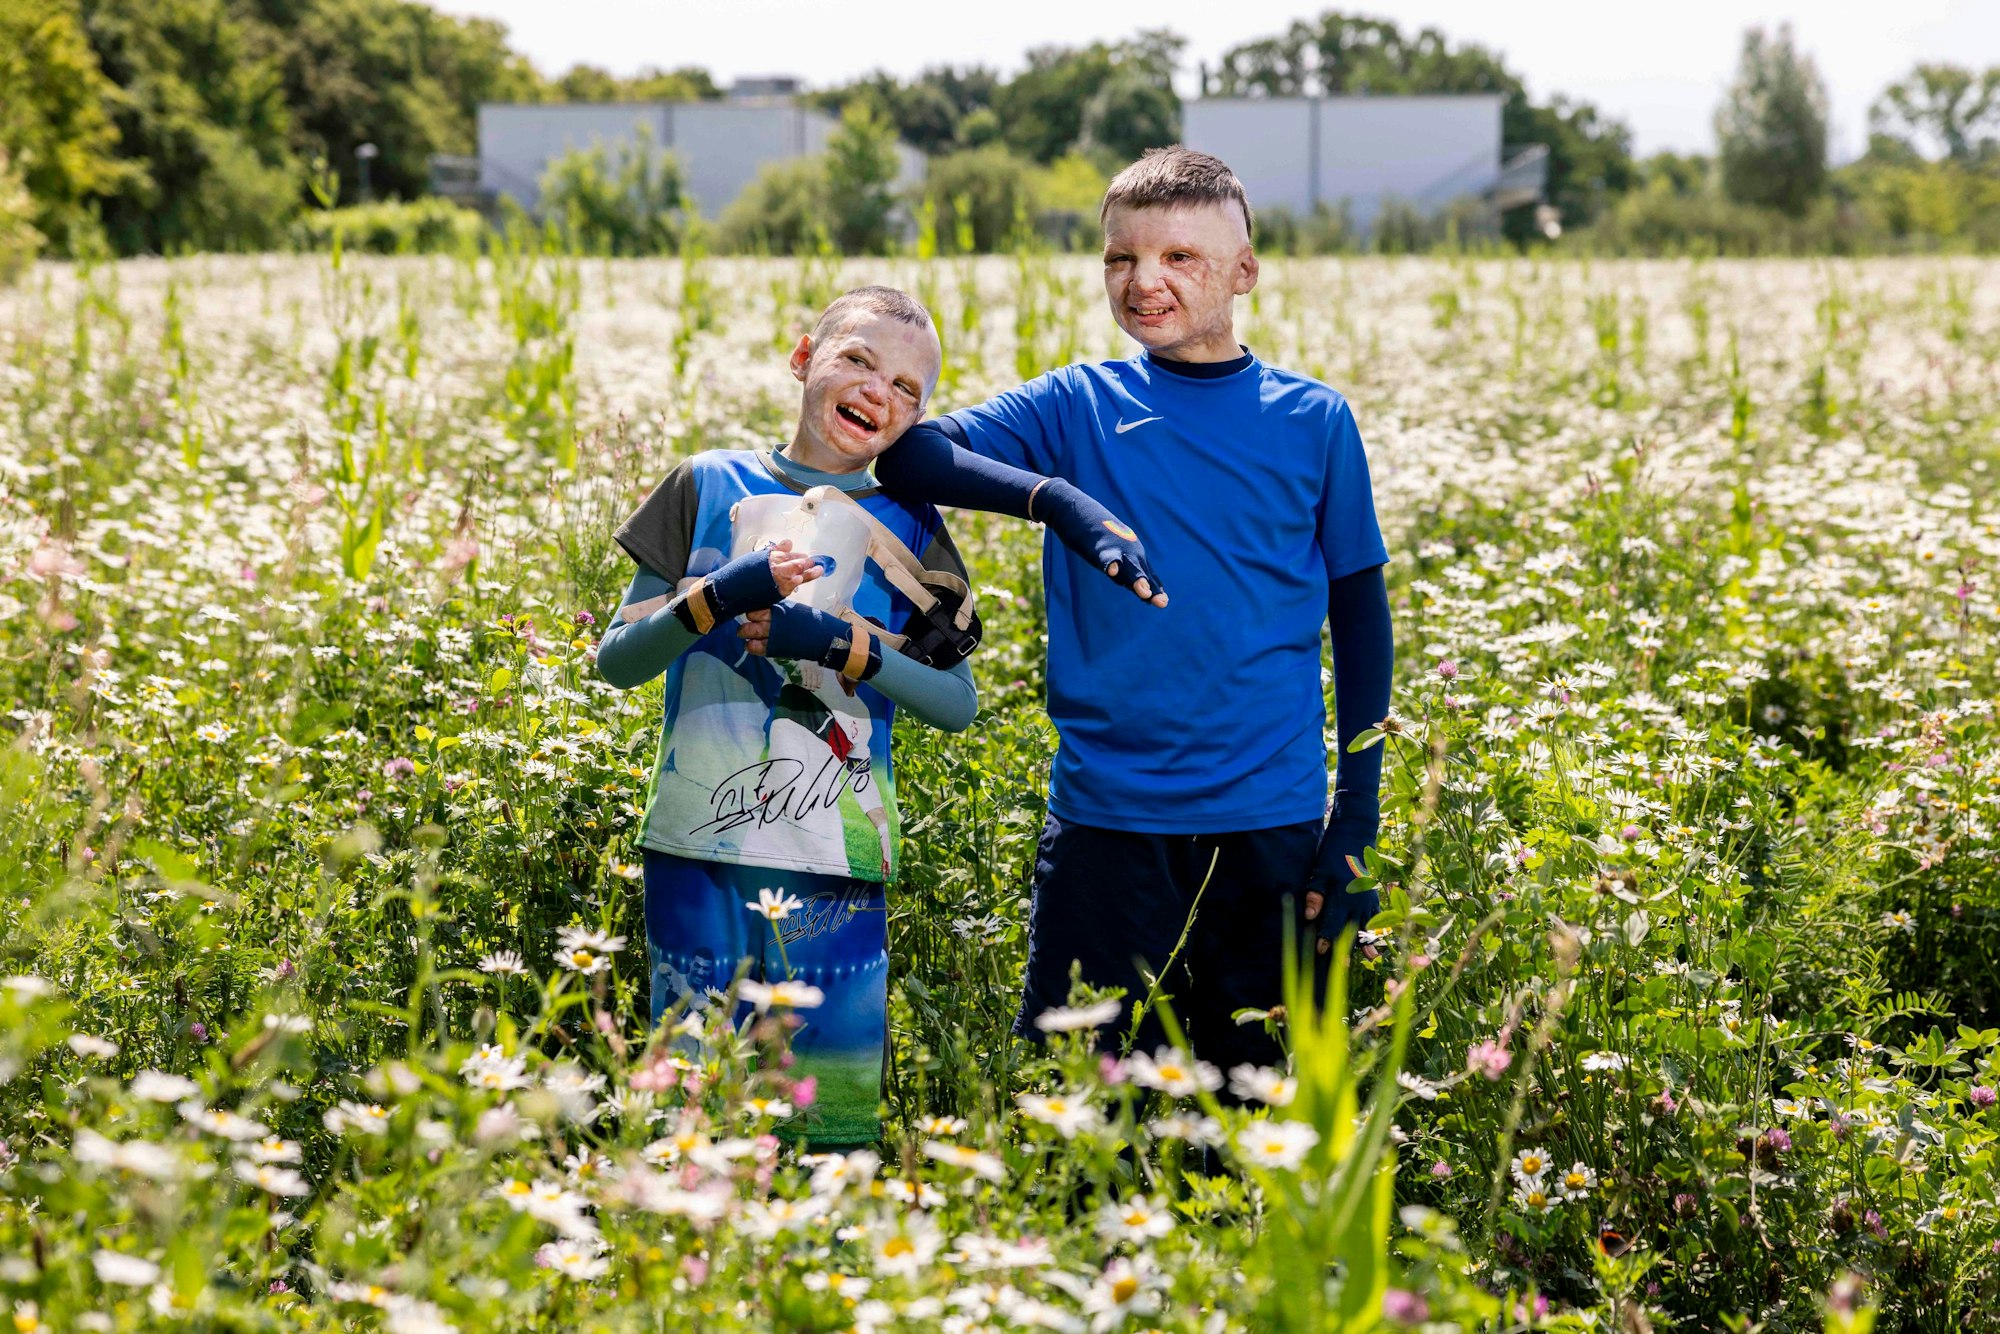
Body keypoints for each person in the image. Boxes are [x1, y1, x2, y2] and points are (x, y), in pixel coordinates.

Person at [870, 147, 1396, 1076]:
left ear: (1245, 272)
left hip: (1269, 824)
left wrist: (1355, 819)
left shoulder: (1313, 419)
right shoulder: (1078, 403)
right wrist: (1057, 501)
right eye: (1121, 259)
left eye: (1180, 258)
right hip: (1108, 823)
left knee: (1258, 1107)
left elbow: (1361, 620)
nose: (1144, 281)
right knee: (1079, 1111)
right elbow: (910, 458)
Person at [594, 286, 1161, 1145]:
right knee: (692, 1116)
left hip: (838, 857)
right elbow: (617, 662)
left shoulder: (909, 528)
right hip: (694, 849)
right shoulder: (705, 484)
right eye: (857, 360)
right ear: (802, 359)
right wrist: (718, 597)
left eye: (908, 389)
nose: (878, 393)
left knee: (829, 1121)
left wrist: (835, 644)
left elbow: (956, 703)